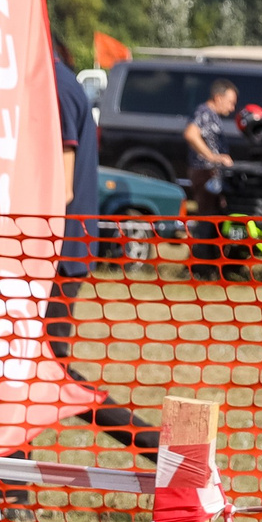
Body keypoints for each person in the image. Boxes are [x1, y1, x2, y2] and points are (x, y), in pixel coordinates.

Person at [45, 41, 159, 460]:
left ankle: (162, 450)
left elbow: (63, 186)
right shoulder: (65, 84)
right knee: (18, 370)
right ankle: (12, 491)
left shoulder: (54, 88)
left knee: (51, 375)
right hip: (56, 251)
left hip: (53, 254)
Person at [182, 76, 246, 279]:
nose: (233, 106)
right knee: (207, 219)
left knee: (213, 218)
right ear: (218, 97)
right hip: (204, 173)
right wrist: (212, 157)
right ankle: (199, 267)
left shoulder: (213, 115)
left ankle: (210, 264)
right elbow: (190, 134)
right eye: (230, 101)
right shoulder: (204, 113)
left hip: (212, 173)